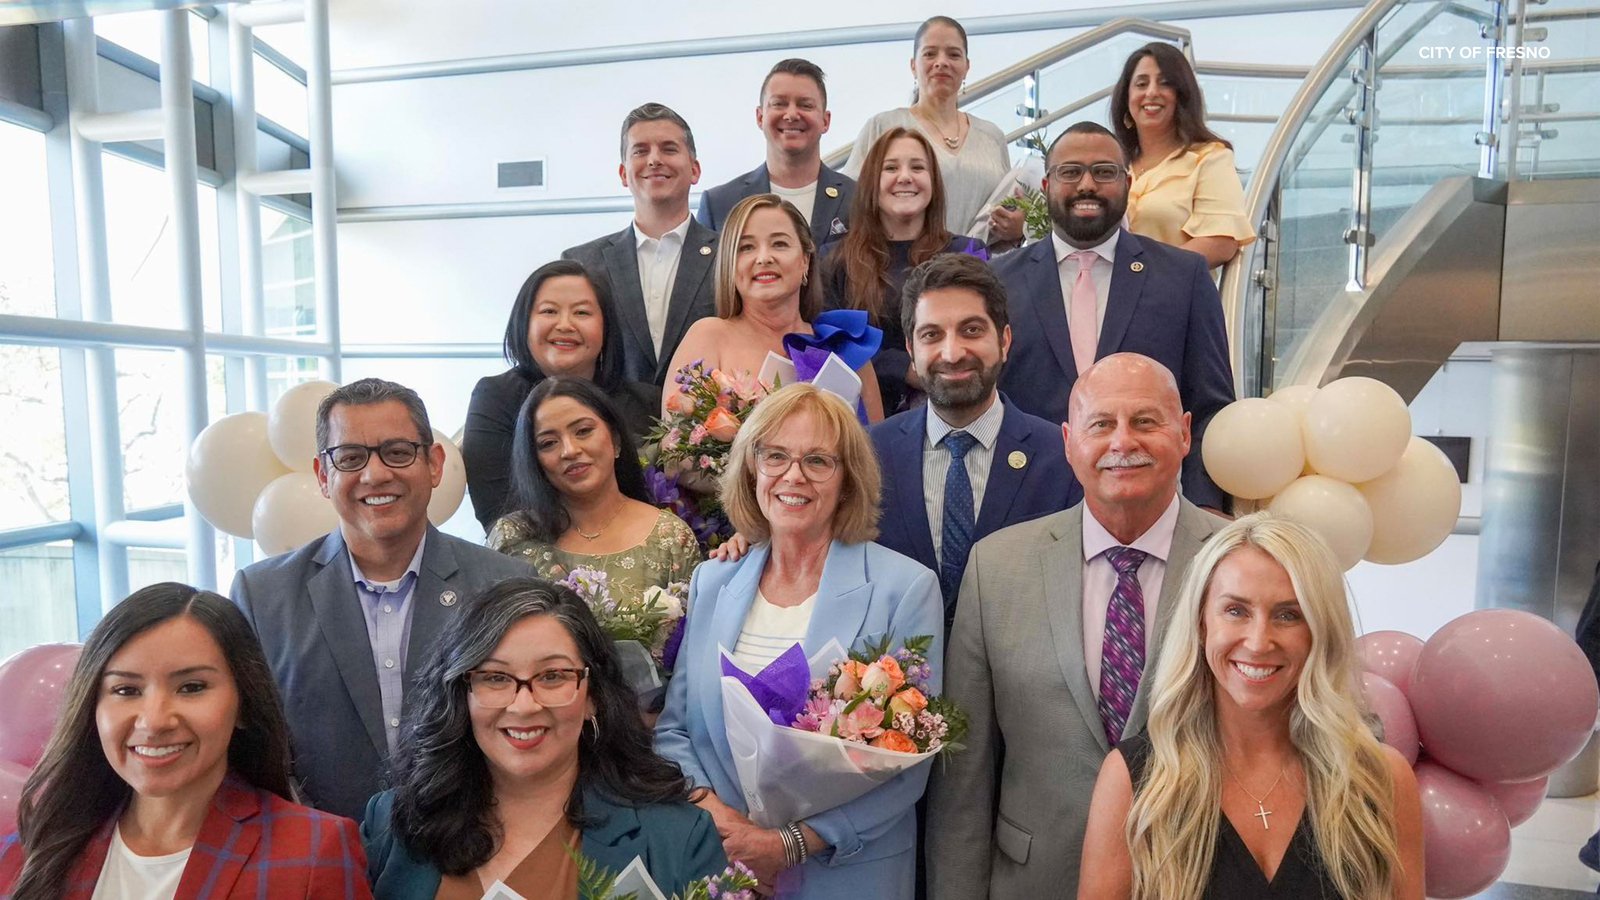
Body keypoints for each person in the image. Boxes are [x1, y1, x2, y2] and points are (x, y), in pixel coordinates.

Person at [925, 353, 1228, 900]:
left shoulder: (1239, 561)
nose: (1123, 442)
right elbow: (964, 774)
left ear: (1185, 433)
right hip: (1037, 880)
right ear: (1068, 442)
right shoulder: (997, 567)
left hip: (1201, 873)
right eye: (1101, 424)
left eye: (1145, 421)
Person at [656, 383, 943, 898]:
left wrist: (787, 845)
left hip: (850, 874)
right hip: (726, 866)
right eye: (776, 456)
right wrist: (723, 824)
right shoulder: (713, 581)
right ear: (752, 468)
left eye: (817, 460)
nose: (794, 475)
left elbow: (909, 765)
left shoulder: (905, 588)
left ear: (848, 479)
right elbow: (675, 730)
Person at [1076, 512, 1425, 899]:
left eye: (1288, 615)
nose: (1258, 642)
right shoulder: (1135, 780)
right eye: (1236, 611)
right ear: (1201, 623)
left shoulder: (1381, 779)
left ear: (1320, 631)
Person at [230, 378, 529, 821]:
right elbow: (248, 754)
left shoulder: (506, 585)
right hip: (321, 851)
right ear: (323, 476)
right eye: (351, 458)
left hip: (478, 841)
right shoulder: (262, 597)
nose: (375, 475)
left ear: (434, 464)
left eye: (398, 452)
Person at [362, 577, 727, 900]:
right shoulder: (393, 825)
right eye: (495, 678)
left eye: (552, 676)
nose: (524, 706)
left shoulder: (678, 838)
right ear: (462, 694)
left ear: (593, 696)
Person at [0, 583, 371, 900]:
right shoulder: (37, 846)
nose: (154, 721)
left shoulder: (312, 851)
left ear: (243, 703)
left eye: (191, 687)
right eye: (126, 690)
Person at [995, 122, 1234, 510]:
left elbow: (1210, 407)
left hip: (1147, 509)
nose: (1087, 185)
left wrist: (1205, 507)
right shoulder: (998, 281)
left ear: (1128, 183)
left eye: (1104, 172)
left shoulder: (1183, 277)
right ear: (1047, 186)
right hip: (1025, 506)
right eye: (1070, 172)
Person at [871, 254, 1078, 628]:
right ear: (911, 351)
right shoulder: (870, 454)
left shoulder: (1062, 459)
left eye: (971, 330)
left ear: (1004, 341)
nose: (952, 353)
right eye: (932, 335)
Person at [465, 260, 663, 531]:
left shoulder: (647, 402)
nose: (565, 325)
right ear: (524, 323)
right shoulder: (495, 397)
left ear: (606, 327)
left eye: (582, 312)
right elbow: (496, 511)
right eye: (549, 311)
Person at [664, 194, 884, 423]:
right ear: (730, 264)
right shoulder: (708, 336)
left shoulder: (846, 345)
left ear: (805, 260)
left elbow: (877, 443)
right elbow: (675, 440)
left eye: (779, 244)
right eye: (746, 247)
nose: (763, 258)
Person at [487, 376, 702, 594]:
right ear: (534, 459)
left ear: (615, 439)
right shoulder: (512, 537)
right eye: (549, 443)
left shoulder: (670, 538)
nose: (570, 450)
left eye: (583, 431)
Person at [825, 128, 986, 414]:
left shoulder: (967, 253)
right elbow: (830, 342)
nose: (905, 177)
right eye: (891, 168)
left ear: (933, 181)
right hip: (862, 417)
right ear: (871, 181)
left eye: (917, 167)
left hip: (954, 409)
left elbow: (983, 334)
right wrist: (904, 369)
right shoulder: (834, 260)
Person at [563, 103, 718, 387]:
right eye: (640, 151)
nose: (654, 160)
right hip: (607, 415)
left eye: (669, 149)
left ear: (695, 170)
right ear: (624, 174)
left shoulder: (729, 257)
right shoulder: (582, 264)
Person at [844, 16, 1024, 248]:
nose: (942, 62)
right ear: (913, 65)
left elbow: (1006, 210)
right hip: (903, 263)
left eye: (953, 55)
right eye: (930, 54)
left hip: (981, 266)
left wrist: (1018, 230)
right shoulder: (884, 127)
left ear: (967, 67)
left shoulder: (991, 136)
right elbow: (853, 204)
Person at [1112, 43, 1254, 269]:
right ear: (1126, 97)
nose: (1151, 92)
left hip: (1175, 289)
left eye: (1165, 83)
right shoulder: (1111, 163)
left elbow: (1221, 241)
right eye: (1141, 84)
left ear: (1181, 94)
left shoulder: (1210, 158)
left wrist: (1143, 273)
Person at [698, 58, 856, 248]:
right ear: (760, 117)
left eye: (805, 105)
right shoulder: (719, 204)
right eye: (779, 104)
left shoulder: (858, 199)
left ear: (825, 121)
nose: (791, 115)